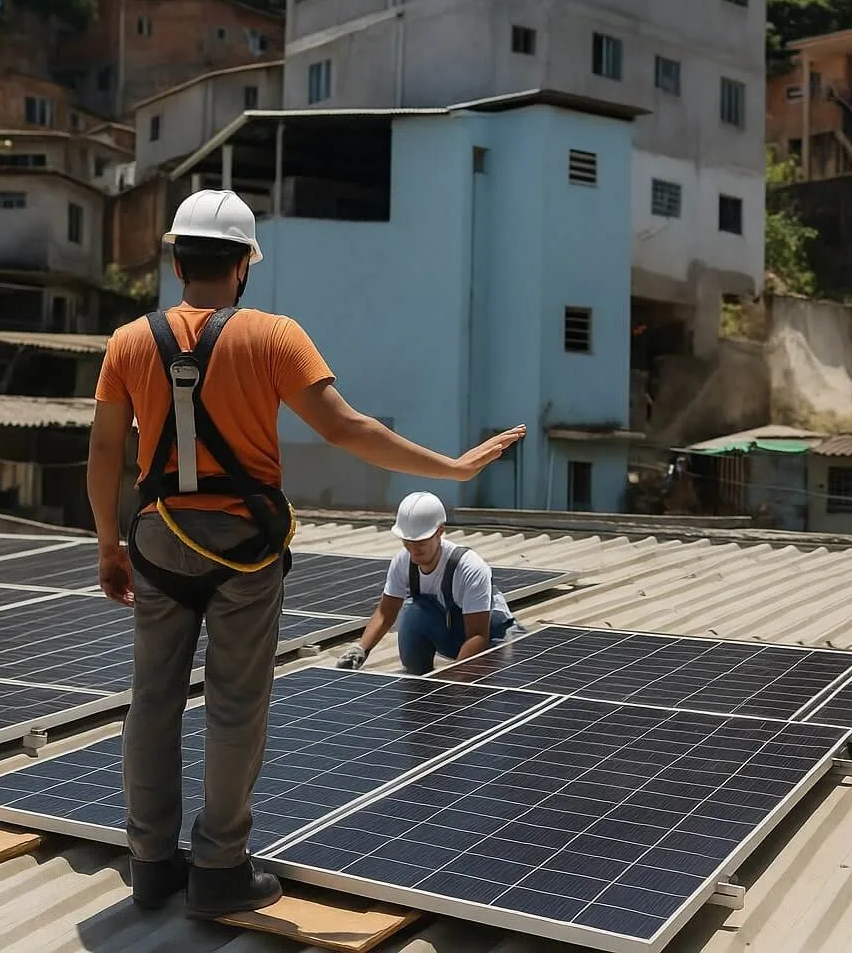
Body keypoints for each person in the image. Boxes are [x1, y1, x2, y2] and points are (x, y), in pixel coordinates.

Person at [86, 189, 525, 920]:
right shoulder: (274, 336)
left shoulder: (129, 341)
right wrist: (450, 469)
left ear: (177, 261)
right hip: (245, 546)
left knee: (153, 702)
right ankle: (219, 869)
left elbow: (105, 451)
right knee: (234, 706)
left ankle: (152, 865)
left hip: (159, 538)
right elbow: (347, 428)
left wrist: (110, 543)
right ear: (243, 266)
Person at [334, 492, 523, 674]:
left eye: (420, 542)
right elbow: (386, 613)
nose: (413, 549)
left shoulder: (469, 567)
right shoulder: (403, 562)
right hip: (455, 636)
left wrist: (454, 680)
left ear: (440, 532)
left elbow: (478, 636)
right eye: (407, 542)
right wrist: (361, 649)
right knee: (413, 612)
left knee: (501, 684)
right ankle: (419, 674)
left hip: (494, 639)